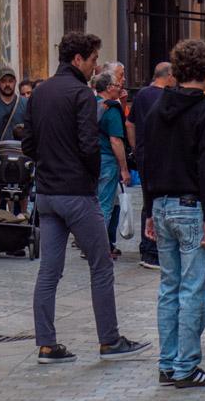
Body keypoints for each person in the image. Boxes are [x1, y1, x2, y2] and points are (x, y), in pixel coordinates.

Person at [24, 32, 150, 365]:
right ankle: (109, 339)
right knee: (101, 264)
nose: (96, 67)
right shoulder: (81, 94)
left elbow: (28, 144)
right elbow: (88, 145)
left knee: (49, 272)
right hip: (77, 192)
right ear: (78, 59)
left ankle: (46, 344)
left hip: (47, 193)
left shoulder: (39, 92)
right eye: (93, 60)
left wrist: (48, 165)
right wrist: (91, 176)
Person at [139, 37, 205, 388]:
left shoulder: (157, 108)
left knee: (169, 287)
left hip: (161, 204)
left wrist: (149, 209)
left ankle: (168, 361)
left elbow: (146, 159)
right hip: (190, 207)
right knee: (193, 290)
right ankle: (186, 365)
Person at [131, 62, 175, 270]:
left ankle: (147, 248)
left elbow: (129, 123)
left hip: (144, 153)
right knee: (158, 200)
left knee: (147, 199)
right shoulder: (167, 96)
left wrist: (136, 147)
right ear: (169, 75)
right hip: (162, 154)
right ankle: (153, 250)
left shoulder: (141, 95)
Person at [94, 67, 131, 257]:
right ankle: (100, 248)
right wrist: (124, 168)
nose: (120, 87)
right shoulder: (111, 109)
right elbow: (116, 140)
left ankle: (93, 244)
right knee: (105, 205)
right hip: (107, 160)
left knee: (93, 204)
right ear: (108, 87)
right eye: (117, 85)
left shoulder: (90, 104)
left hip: (89, 159)